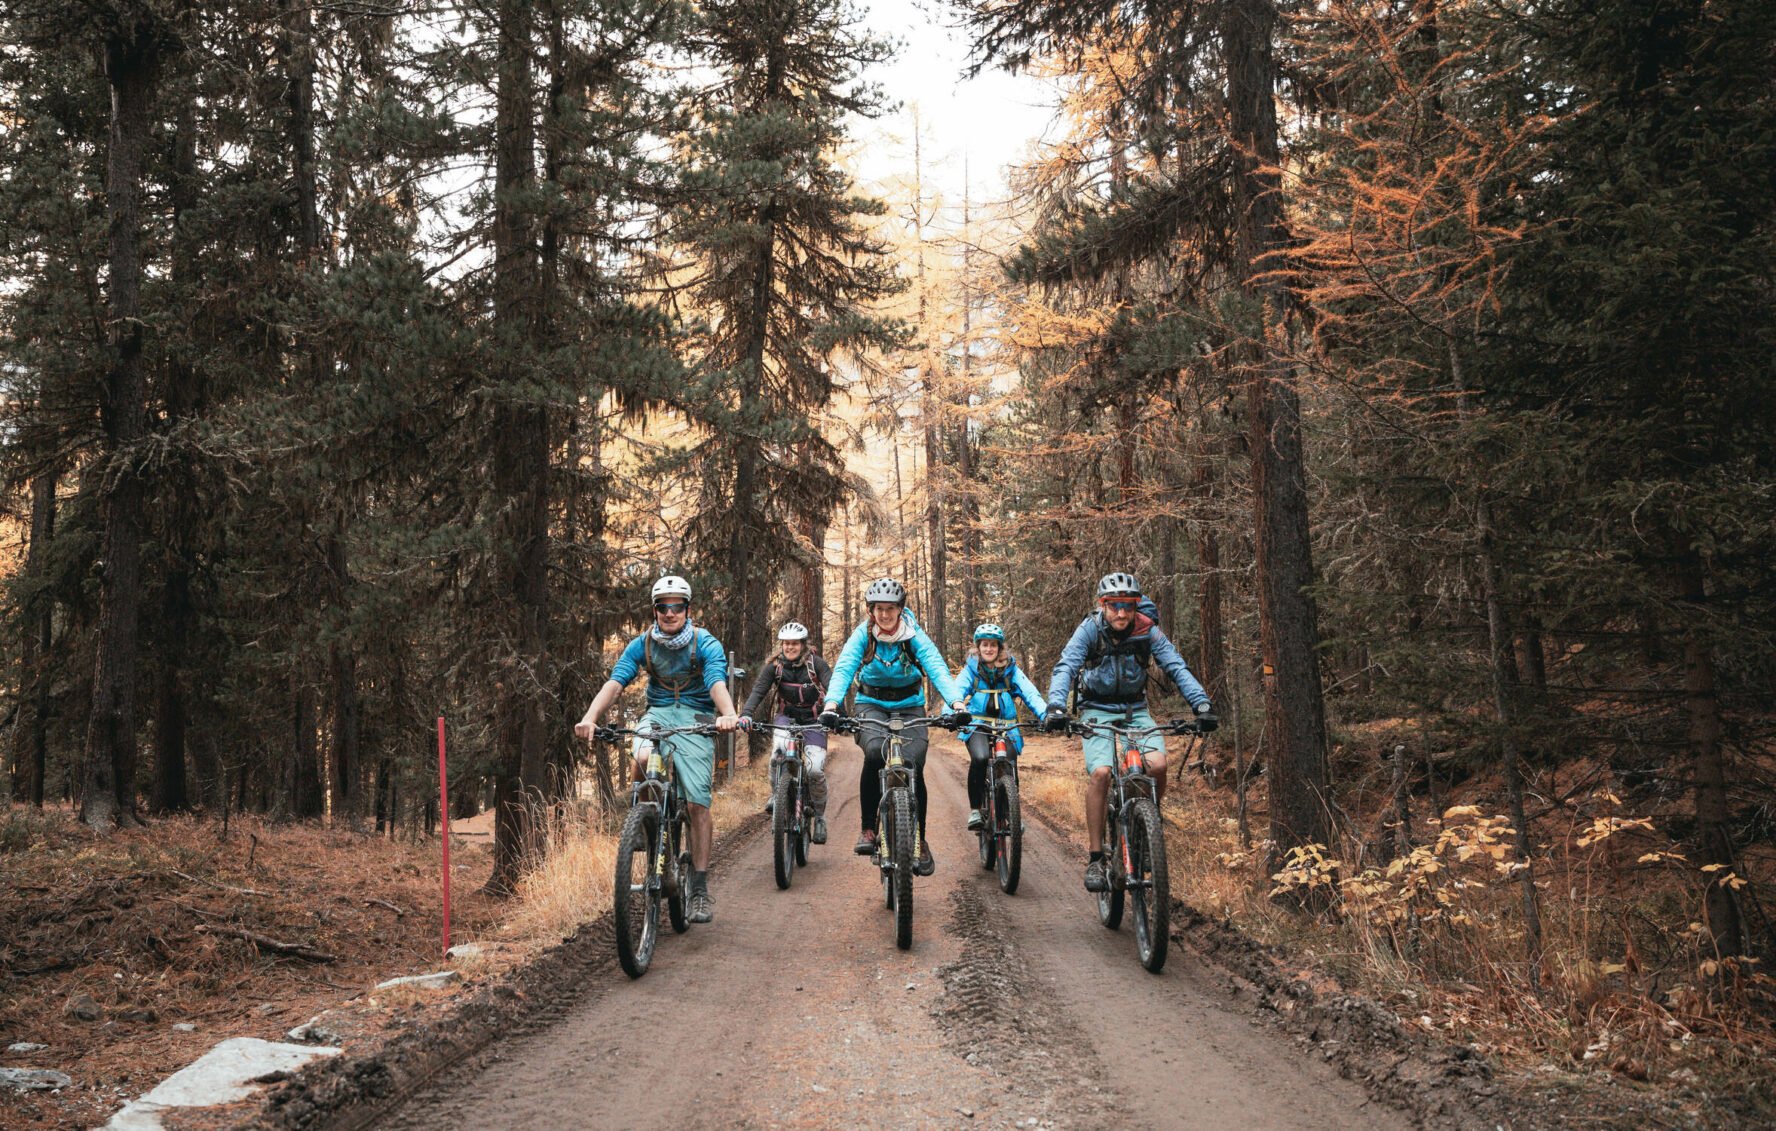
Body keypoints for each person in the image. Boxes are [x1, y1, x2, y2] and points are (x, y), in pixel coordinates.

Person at [574, 575, 741, 923]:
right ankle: (645, 819)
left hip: (696, 716)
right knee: (644, 756)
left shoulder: (703, 642)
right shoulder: (643, 644)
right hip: (658, 714)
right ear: (655, 611)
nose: (670, 613)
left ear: (687, 609)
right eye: (663, 607)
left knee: (697, 801)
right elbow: (616, 682)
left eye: (677, 606)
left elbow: (716, 682)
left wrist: (727, 715)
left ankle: (698, 889)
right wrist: (590, 717)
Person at [1044, 571, 1218, 893]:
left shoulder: (1147, 632)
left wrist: (1201, 705)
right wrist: (1055, 706)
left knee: (1158, 766)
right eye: (1114, 606)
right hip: (1096, 711)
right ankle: (1096, 857)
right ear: (1103, 605)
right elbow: (1066, 666)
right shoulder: (1090, 630)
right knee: (1101, 773)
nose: (1121, 613)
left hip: (1135, 711)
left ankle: (1144, 822)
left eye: (1128, 605)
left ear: (1136, 606)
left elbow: (1175, 666)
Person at [818, 578, 968, 876]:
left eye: (890, 609)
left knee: (913, 762)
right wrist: (832, 704)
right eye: (878, 609)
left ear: (901, 609)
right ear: (870, 610)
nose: (884, 615)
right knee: (874, 752)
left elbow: (935, 666)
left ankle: (919, 840)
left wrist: (956, 704)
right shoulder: (864, 635)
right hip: (870, 704)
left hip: (910, 704)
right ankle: (868, 829)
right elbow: (845, 666)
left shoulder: (913, 635)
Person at [740, 621, 833, 844]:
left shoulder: (816, 664)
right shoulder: (775, 667)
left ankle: (819, 817)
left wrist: (840, 713)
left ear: (803, 644)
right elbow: (759, 691)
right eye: (786, 644)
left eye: (794, 644)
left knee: (815, 770)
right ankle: (777, 795)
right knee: (777, 755)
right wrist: (746, 714)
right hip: (786, 718)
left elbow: (833, 686)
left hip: (814, 720)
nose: (790, 647)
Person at [953, 623, 1048, 831]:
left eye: (993, 645)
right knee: (979, 758)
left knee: (1009, 764)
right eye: (985, 645)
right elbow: (956, 692)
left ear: (999, 647)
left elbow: (1030, 693)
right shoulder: (972, 670)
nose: (989, 649)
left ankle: (1009, 814)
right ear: (978, 648)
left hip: (1007, 726)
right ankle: (976, 809)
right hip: (977, 724)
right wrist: (951, 714)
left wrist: (1045, 714)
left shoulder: (1011, 669)